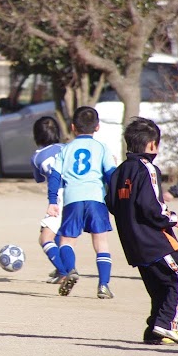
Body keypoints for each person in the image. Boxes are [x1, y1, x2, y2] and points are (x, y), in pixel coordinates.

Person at [106, 117, 178, 344]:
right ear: (151, 145)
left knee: (160, 287)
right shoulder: (147, 169)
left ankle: (154, 331)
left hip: (133, 243)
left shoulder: (119, 171)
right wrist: (174, 219)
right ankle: (168, 324)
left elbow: (111, 202)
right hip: (154, 240)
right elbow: (152, 207)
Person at [47, 106, 117, 299]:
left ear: (72, 127)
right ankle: (103, 285)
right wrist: (117, 197)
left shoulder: (66, 149)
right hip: (96, 199)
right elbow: (111, 175)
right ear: (97, 127)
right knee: (101, 242)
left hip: (73, 199)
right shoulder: (102, 147)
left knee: (66, 241)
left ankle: (70, 269)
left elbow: (55, 176)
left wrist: (52, 200)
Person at [30, 116, 67, 283]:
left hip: (58, 197)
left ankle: (63, 270)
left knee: (45, 237)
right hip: (77, 194)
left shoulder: (37, 157)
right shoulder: (68, 148)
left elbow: (39, 179)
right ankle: (63, 267)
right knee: (59, 233)